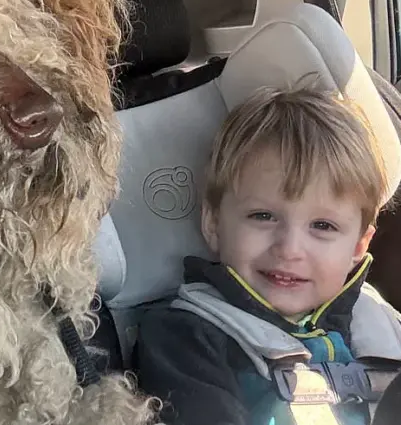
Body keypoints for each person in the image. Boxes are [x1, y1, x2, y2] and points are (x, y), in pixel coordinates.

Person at [135, 84, 401, 425]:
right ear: (213, 224)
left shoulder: (380, 321)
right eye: (263, 216)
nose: (289, 249)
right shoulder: (185, 337)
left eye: (322, 225)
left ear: (359, 246)